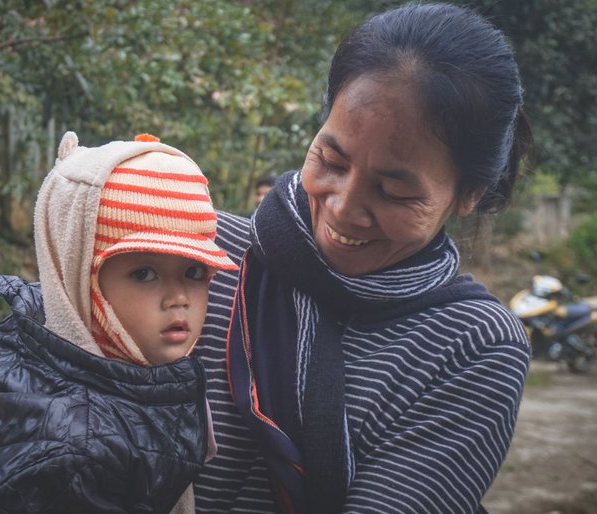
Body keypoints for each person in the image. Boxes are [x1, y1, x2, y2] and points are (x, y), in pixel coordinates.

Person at [189, 3, 533, 513]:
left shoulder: (473, 345)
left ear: (469, 195)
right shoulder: (196, 252)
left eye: (395, 191)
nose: (345, 209)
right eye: (330, 160)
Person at [0, 132, 238, 513]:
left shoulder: (112, 380)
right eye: (145, 273)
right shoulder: (77, 453)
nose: (178, 297)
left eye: (195, 271)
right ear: (78, 277)